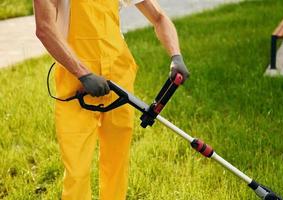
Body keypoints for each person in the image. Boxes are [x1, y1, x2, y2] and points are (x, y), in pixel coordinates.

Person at [33, 0, 189, 199]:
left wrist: (176, 55)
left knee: (117, 161)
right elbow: (45, 29)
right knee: (77, 169)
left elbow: (158, 17)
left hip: (118, 74)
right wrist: (82, 73)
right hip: (76, 83)